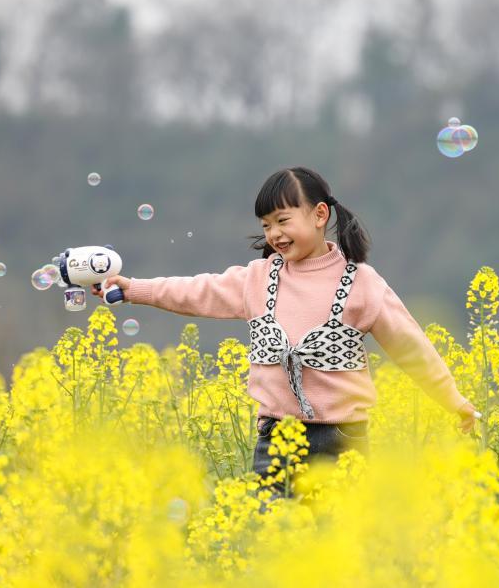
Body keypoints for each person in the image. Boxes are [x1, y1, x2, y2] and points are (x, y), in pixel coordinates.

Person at [93, 166, 479, 501]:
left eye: (282, 220)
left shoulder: (361, 282)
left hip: (342, 441)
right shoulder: (259, 279)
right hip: (274, 439)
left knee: (339, 547)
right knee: (273, 542)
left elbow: (411, 348)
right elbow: (197, 291)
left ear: (319, 214)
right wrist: (133, 289)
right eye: (265, 225)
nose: (274, 234)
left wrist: (452, 400)